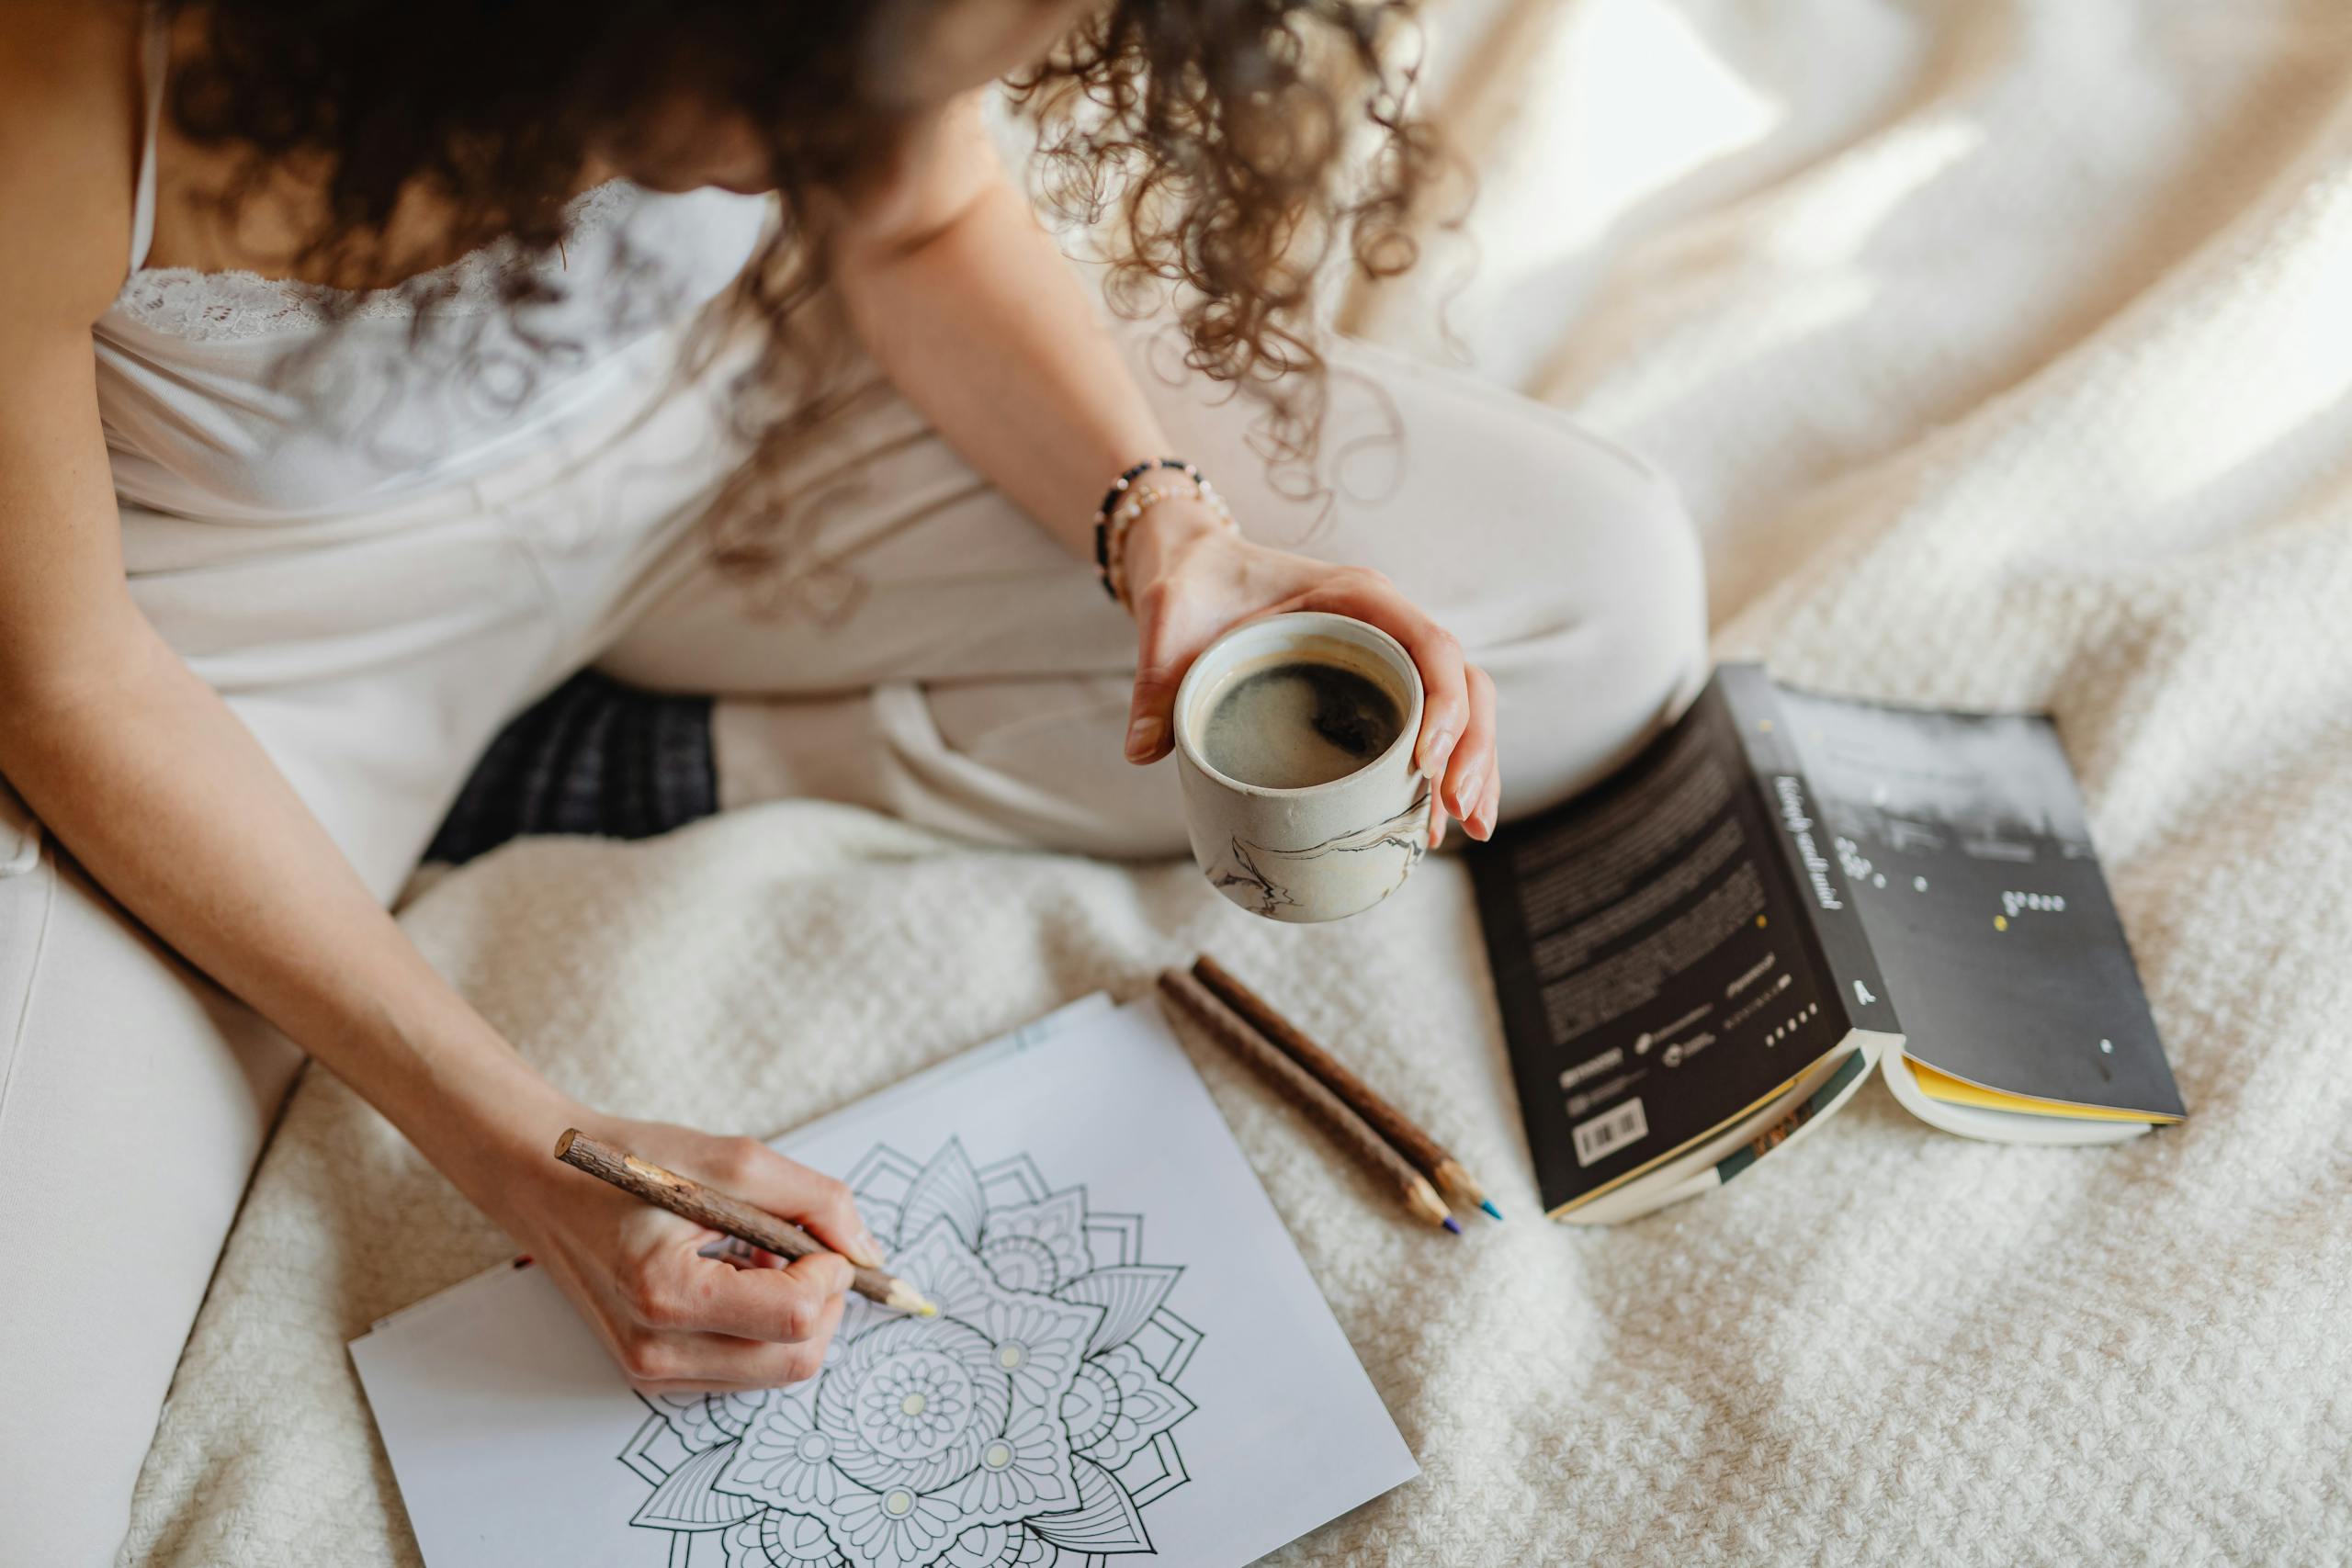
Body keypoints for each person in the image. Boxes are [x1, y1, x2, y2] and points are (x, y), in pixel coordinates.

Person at [0, 0, 1704, 1555]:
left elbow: (918, 215)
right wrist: (534, 1148)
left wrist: (1175, 538)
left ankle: (665, 756)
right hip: (239, 647)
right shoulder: (57, 68)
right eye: (807, 101)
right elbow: (68, 683)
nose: (853, 141)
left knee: (1593, 600)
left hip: (745, 427)